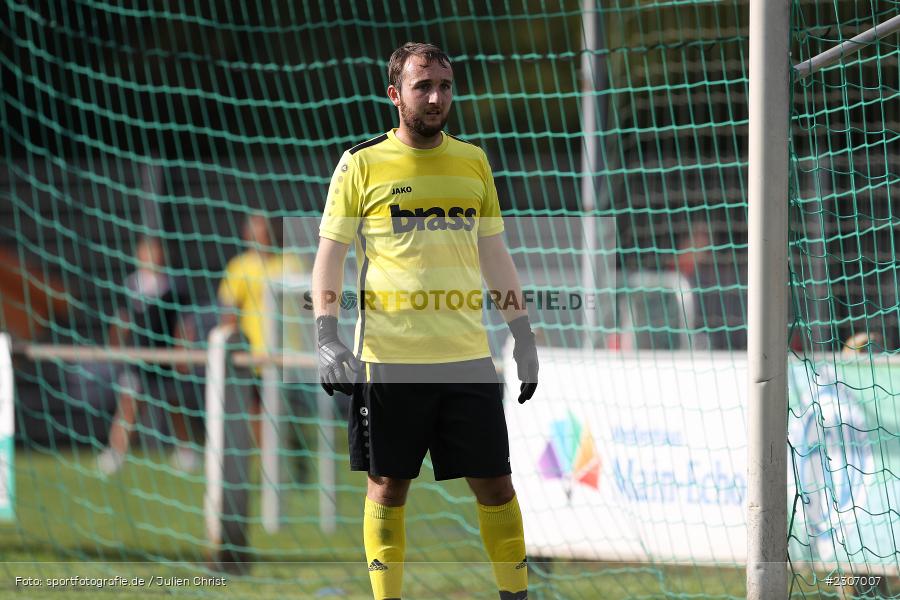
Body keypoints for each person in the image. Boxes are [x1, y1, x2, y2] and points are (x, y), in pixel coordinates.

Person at [312, 42, 538, 600]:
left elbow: (494, 256)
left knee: (497, 485)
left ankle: (516, 596)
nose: (436, 97)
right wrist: (326, 335)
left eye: (444, 86)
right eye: (422, 86)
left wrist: (523, 334)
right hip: (389, 361)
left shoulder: (473, 161)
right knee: (387, 488)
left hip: (466, 359)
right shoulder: (360, 163)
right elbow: (330, 255)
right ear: (395, 95)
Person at [96, 236, 198, 475]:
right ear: (138, 256)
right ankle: (116, 452)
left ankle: (186, 451)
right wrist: (115, 344)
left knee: (174, 403)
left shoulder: (173, 288)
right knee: (129, 404)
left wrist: (183, 351)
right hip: (137, 355)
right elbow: (122, 320)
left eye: (156, 253)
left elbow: (183, 324)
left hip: (164, 355)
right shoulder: (131, 286)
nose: (152, 258)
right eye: (147, 253)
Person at [218, 213, 305, 450]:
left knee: (289, 416)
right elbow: (229, 313)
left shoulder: (290, 262)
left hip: (288, 354)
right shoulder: (239, 267)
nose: (260, 235)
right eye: (255, 230)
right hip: (254, 355)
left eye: (264, 230)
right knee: (257, 412)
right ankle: (268, 458)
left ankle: (293, 461)